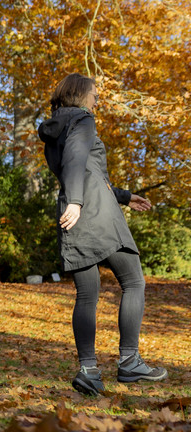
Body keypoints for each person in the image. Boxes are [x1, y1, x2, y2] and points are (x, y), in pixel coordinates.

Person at [38, 73, 168, 396]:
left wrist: (125, 196)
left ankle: (89, 370)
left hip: (72, 212)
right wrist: (80, 200)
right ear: (81, 95)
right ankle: (129, 361)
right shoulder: (83, 120)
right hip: (92, 211)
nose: (97, 100)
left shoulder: (56, 127)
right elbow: (76, 160)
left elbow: (86, 169)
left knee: (87, 294)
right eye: (94, 94)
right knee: (134, 281)